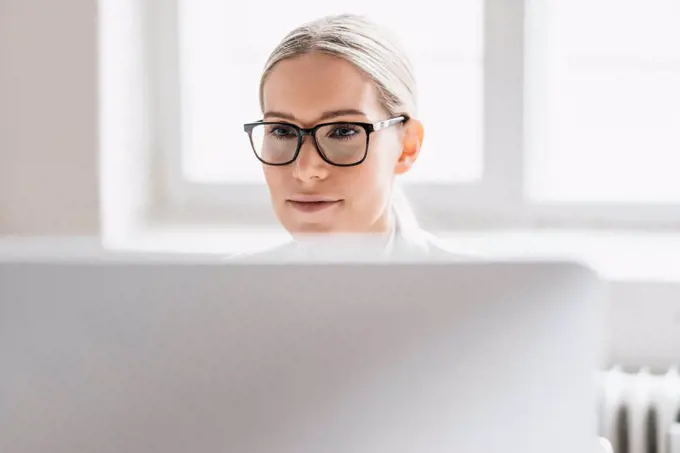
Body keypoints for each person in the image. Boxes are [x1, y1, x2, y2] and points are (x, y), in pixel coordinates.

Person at [237, 13, 464, 262]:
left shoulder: (478, 291)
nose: (305, 170)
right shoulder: (225, 291)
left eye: (342, 131)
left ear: (407, 146)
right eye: (282, 131)